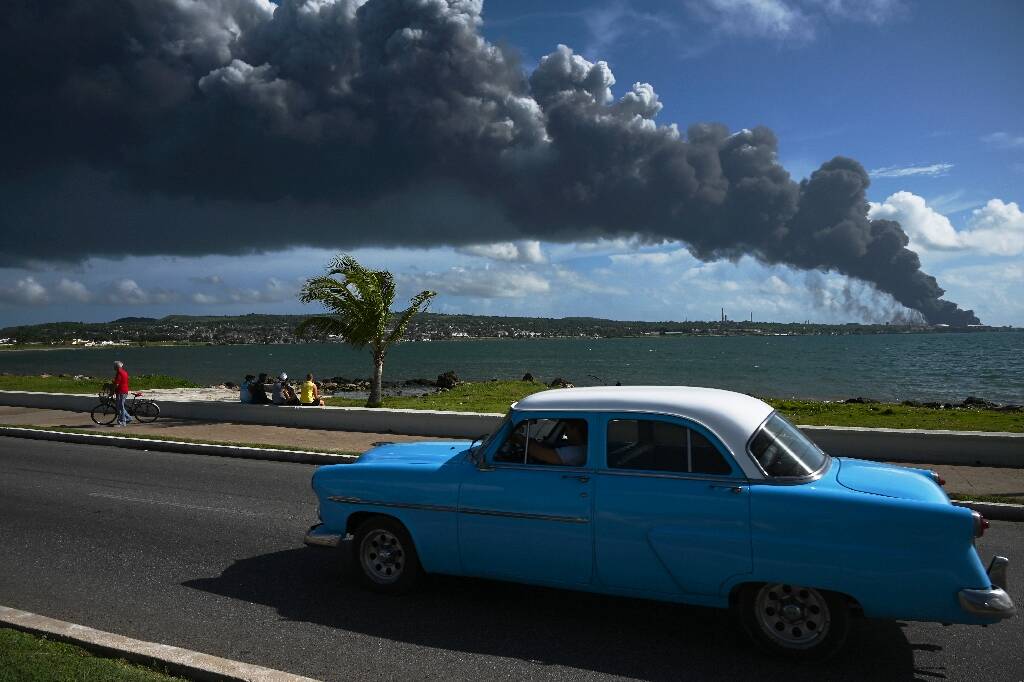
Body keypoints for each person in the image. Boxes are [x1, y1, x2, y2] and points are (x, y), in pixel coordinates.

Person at [512, 420, 587, 466]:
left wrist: (520, 439)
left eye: (567, 429)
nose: (566, 434)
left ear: (576, 430)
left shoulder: (578, 451)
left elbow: (545, 455)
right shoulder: (580, 448)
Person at [112, 360, 132, 426]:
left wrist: (112, 390)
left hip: (121, 391)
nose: (113, 367)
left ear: (116, 367)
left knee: (120, 406)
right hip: (124, 390)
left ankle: (122, 422)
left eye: (114, 366)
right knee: (120, 406)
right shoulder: (124, 372)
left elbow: (117, 384)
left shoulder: (119, 373)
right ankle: (128, 418)